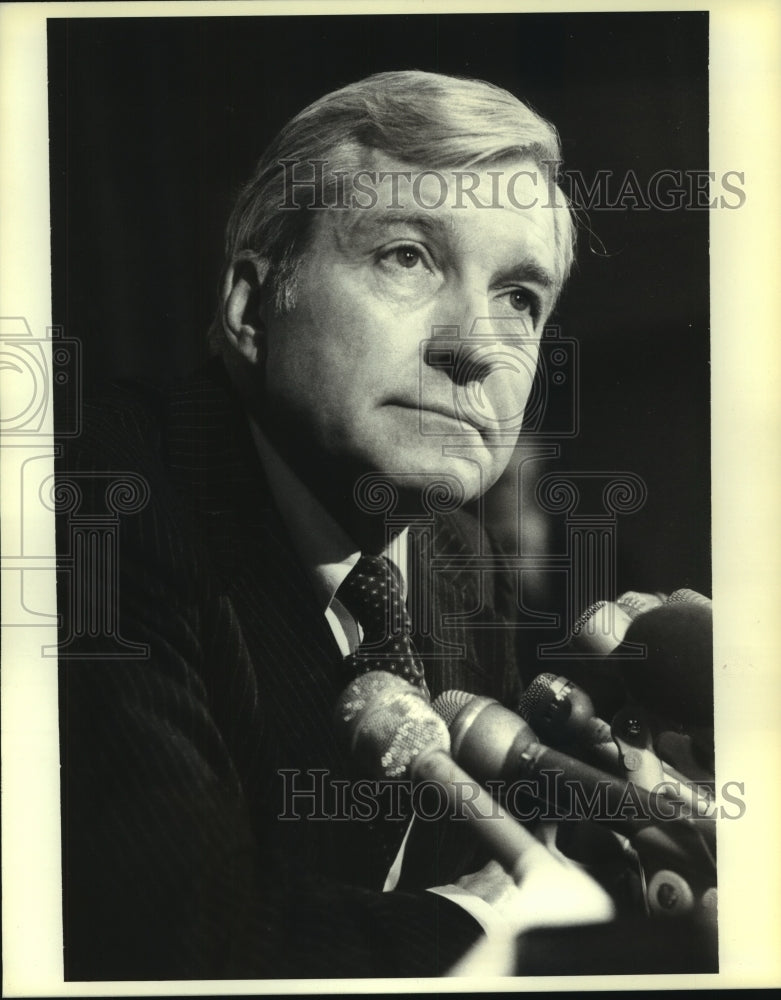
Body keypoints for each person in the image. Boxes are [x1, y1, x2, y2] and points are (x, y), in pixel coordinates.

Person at [56, 70, 620, 981]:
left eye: (519, 297)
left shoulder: (456, 564)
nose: (476, 346)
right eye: (407, 255)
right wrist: (492, 916)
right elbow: (173, 941)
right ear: (250, 304)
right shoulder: (94, 506)